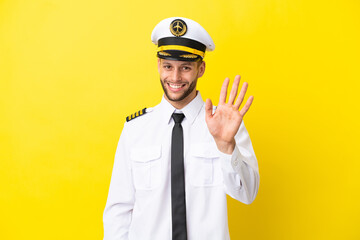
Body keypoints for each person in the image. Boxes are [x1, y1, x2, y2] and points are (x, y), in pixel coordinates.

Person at [103, 17, 260, 240]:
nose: (175, 78)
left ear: (201, 68)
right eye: (168, 66)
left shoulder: (227, 125)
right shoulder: (135, 130)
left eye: (185, 67)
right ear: (159, 65)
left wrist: (227, 147)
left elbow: (248, 193)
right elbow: (118, 210)